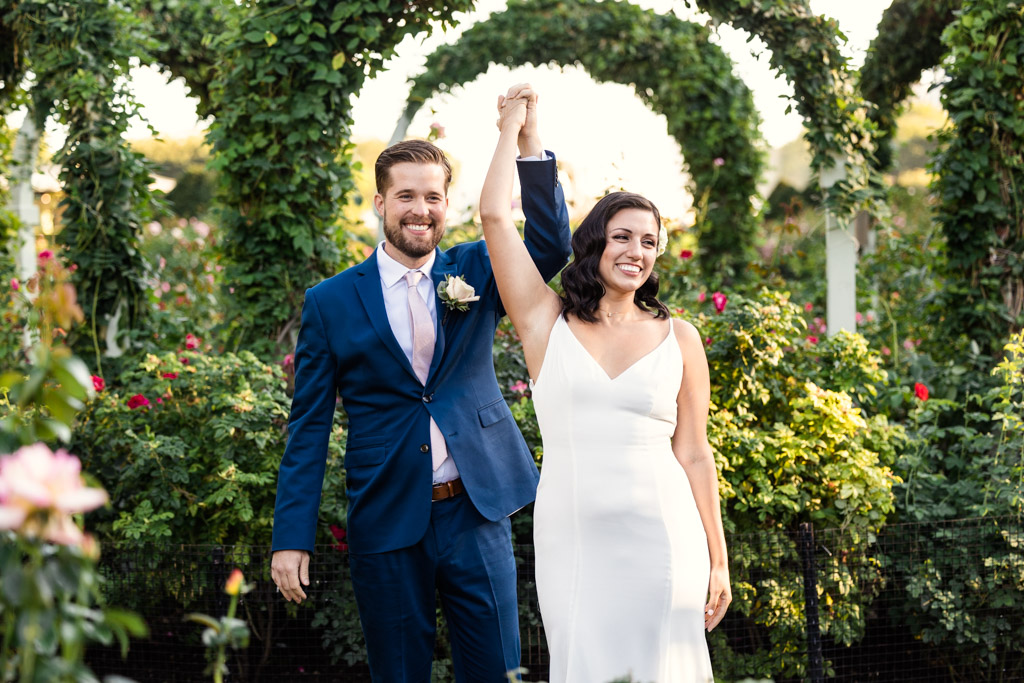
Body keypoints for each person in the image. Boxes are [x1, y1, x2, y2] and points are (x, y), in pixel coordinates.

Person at [270, 84, 571, 681]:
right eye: (405, 195)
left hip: (477, 508)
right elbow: (308, 428)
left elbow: (550, 244)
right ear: (379, 202)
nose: (420, 209)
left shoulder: (478, 268)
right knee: (398, 672)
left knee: (497, 672)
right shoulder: (330, 302)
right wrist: (290, 537)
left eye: (432, 197)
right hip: (387, 515)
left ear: (446, 203)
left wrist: (527, 139)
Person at [479, 91, 731, 682]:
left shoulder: (682, 338)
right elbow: (494, 217)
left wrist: (718, 562)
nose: (636, 252)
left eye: (649, 241)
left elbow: (694, 452)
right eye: (622, 236)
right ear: (595, 243)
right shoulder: (546, 324)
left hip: (667, 539)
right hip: (574, 538)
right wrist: (517, 132)